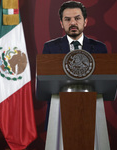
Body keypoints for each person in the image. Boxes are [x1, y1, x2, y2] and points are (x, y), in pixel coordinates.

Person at [43, 1, 107, 129]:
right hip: (59, 112)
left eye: (77, 18)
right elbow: (45, 83)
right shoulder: (50, 48)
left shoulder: (100, 48)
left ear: (85, 21)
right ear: (61, 23)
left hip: (92, 111)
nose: (72, 23)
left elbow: (105, 81)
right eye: (67, 19)